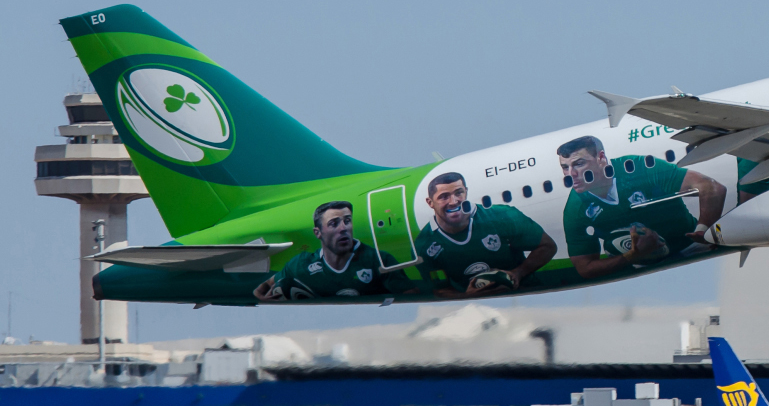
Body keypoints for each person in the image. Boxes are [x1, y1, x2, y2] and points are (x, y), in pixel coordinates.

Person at [558, 135, 727, 280]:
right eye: (565, 167)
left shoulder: (637, 167)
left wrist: (703, 230)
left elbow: (712, 187)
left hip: (692, 246)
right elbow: (585, 268)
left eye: (579, 164)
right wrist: (632, 255)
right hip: (638, 265)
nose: (571, 175)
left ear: (601, 158)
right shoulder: (575, 208)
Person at [412, 172, 558, 298]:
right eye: (444, 197)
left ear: (466, 192)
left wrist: (518, 273)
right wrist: (467, 296)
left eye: (458, 193)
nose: (454, 201)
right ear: (430, 203)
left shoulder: (503, 216)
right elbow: (439, 289)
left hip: (526, 293)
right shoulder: (425, 245)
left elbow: (547, 246)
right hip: (476, 309)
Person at [253, 201, 407, 301]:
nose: (343, 228)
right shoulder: (302, 264)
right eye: (334, 223)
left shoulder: (379, 260)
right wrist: (261, 296)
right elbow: (265, 286)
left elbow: (411, 294)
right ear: (317, 233)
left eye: (347, 221)